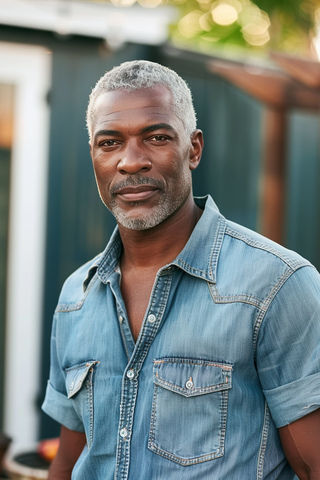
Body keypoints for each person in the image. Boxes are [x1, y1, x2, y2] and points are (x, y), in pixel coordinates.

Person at [42, 60, 320, 480]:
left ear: (194, 148)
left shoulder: (277, 285)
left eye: (156, 137)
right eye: (110, 142)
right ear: (95, 156)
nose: (130, 162)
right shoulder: (75, 297)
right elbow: (67, 462)